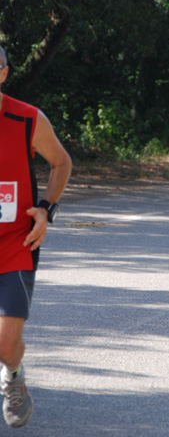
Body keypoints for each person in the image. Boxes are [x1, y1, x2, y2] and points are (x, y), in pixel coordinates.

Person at [0, 46, 72, 428]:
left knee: (6, 344)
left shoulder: (27, 118)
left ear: (3, 73)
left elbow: (61, 162)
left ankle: (13, 377)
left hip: (16, 241)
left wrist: (46, 208)